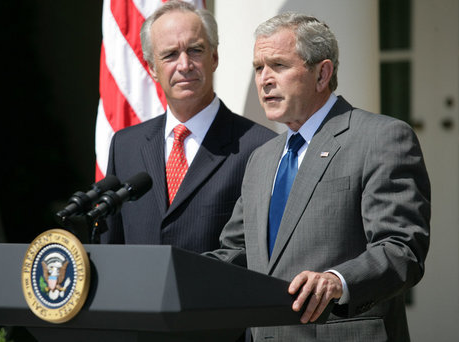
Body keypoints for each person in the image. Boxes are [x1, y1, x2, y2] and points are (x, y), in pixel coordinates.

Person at [205, 12, 431, 341]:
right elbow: (236, 253)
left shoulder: (380, 138)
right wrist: (170, 269)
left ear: (322, 74)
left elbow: (402, 249)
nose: (264, 79)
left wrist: (338, 281)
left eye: (278, 65)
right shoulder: (261, 159)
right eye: (258, 67)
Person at [100, 1, 276, 254]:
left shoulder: (260, 146)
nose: (184, 65)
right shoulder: (125, 145)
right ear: (152, 68)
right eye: (170, 54)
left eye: (195, 50)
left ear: (214, 58)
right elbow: (112, 246)